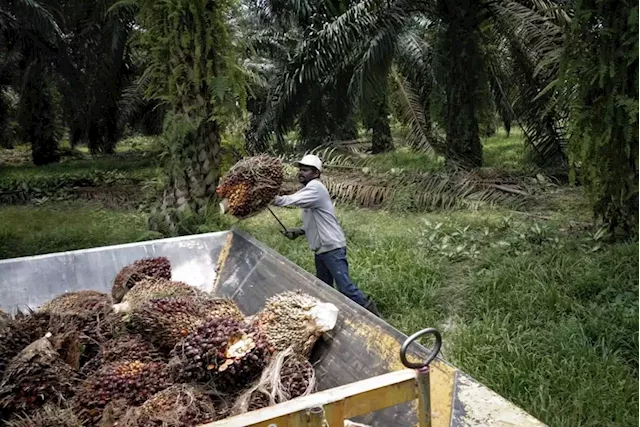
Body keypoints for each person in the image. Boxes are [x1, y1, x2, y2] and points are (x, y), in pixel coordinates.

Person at [272, 154, 381, 317]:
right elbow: (317, 221)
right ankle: (329, 319)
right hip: (321, 249)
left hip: (331, 248)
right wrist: (299, 231)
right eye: (300, 170)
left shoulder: (315, 188)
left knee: (345, 288)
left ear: (316, 173)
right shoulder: (310, 190)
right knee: (323, 289)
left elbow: (287, 201)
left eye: (306, 170)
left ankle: (376, 318)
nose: (301, 173)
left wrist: (266, 196)